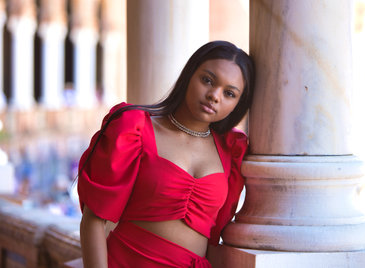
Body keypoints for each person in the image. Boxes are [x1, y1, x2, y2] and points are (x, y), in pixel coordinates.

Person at [77, 41, 255, 267]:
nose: (214, 95)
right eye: (207, 80)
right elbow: (93, 219)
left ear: (238, 103)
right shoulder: (134, 128)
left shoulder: (232, 148)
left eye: (229, 93)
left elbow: (213, 238)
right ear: (189, 75)